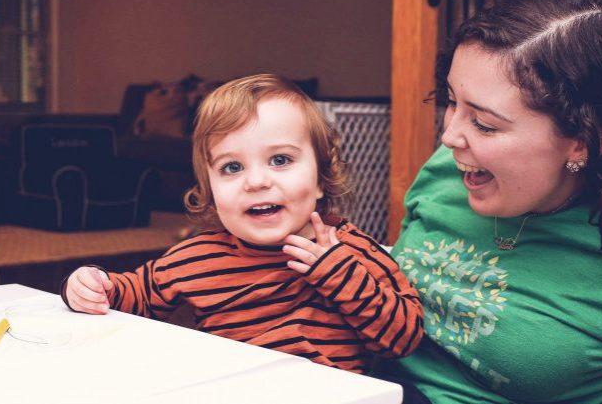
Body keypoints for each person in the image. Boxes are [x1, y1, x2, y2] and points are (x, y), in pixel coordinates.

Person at [378, 0, 602, 403]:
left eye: (485, 124)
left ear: (584, 142)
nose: (450, 135)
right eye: (453, 102)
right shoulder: (447, 168)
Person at [62, 73, 424, 375]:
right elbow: (134, 294)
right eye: (232, 168)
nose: (255, 182)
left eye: (280, 159)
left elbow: (404, 339)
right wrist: (93, 287)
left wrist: (339, 275)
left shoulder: (348, 251)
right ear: (210, 189)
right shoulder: (196, 257)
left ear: (319, 180)